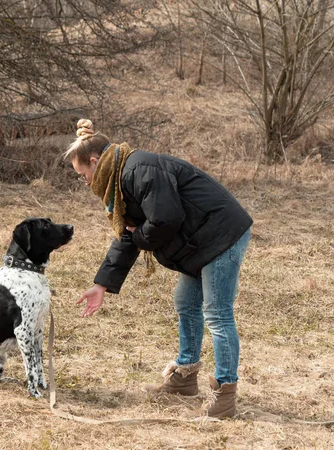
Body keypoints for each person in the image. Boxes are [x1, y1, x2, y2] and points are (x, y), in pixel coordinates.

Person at [64, 119, 252, 419]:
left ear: (94, 161)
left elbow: (164, 219)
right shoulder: (122, 178)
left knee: (217, 312)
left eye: (82, 174)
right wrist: (101, 284)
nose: (84, 181)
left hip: (221, 234)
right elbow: (131, 232)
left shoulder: (139, 171)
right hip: (199, 240)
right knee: (186, 303)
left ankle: (225, 394)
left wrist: (139, 234)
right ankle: (185, 378)